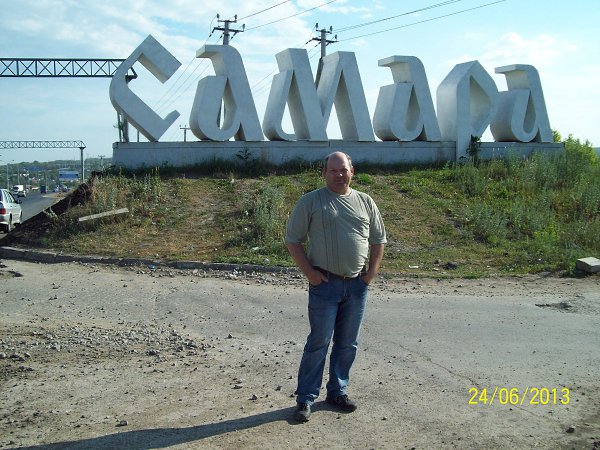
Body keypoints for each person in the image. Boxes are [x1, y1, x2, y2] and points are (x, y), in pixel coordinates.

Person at [285, 151, 386, 422]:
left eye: (343, 170)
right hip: (325, 285)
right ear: (324, 173)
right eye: (333, 170)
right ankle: (306, 399)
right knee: (318, 342)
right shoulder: (311, 201)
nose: (339, 175)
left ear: (352, 171)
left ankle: (337, 392)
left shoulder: (365, 202)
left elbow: (379, 241)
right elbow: (292, 240)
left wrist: (370, 275)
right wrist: (310, 274)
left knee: (348, 344)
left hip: (356, 286)